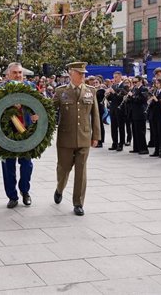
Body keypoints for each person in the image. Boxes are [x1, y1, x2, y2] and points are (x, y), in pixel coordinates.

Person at [52, 62, 100, 216]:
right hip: (65, 137)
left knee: (81, 172)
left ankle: (78, 203)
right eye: (79, 73)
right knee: (63, 169)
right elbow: (50, 111)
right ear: (70, 73)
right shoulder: (60, 92)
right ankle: (59, 189)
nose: (83, 76)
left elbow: (96, 115)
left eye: (84, 73)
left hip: (84, 137)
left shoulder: (90, 91)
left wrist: (96, 136)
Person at [0, 62, 39, 209]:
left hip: (26, 132)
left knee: (27, 164)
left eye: (20, 73)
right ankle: (12, 196)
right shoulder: (0, 88)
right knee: (8, 166)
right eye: (15, 72)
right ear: (8, 74)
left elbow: (39, 106)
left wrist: (37, 116)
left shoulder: (31, 87)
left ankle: (25, 191)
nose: (18, 75)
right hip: (6, 133)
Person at [105, 71, 128, 151]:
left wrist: (114, 92)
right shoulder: (113, 85)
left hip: (120, 108)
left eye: (116, 77)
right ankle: (114, 143)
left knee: (121, 127)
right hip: (113, 108)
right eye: (114, 77)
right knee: (113, 127)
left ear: (120, 77)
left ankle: (121, 144)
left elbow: (122, 97)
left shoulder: (124, 86)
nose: (115, 79)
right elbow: (111, 98)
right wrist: (107, 95)